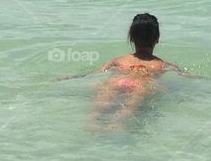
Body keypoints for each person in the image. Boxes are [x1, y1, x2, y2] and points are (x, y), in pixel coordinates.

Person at [59, 13, 193, 130]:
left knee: (103, 99)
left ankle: (92, 121)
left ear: (131, 37)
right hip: (141, 84)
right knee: (131, 105)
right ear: (157, 39)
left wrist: (72, 77)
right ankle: (116, 122)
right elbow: (187, 76)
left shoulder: (118, 61)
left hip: (117, 81)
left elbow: (95, 73)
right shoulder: (162, 65)